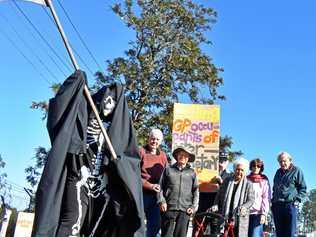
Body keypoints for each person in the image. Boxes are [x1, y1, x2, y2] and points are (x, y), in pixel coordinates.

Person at [32, 71, 145, 237]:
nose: (109, 104)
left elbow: (129, 159)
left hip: (102, 183)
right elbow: (64, 110)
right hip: (80, 175)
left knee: (97, 226)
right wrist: (78, 80)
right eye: (107, 99)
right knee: (73, 220)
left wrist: (119, 163)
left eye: (113, 101)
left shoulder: (119, 130)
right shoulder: (85, 114)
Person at [158, 146, 199, 237]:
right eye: (180, 154)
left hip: (185, 209)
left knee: (181, 235)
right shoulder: (168, 170)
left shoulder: (192, 173)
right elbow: (160, 187)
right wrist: (162, 201)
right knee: (166, 235)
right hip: (168, 207)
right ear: (176, 156)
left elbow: (196, 191)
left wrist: (193, 207)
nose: (182, 157)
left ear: (188, 158)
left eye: (185, 155)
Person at [212, 157, 255, 237]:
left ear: (245, 171)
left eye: (242, 170)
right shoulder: (227, 181)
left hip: (239, 218)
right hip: (225, 216)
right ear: (235, 169)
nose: (239, 172)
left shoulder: (248, 184)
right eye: (238, 169)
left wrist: (244, 207)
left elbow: (251, 200)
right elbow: (219, 195)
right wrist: (216, 204)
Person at [140, 128, 168, 237]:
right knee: (138, 223)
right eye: (152, 138)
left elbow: (167, 174)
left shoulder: (163, 156)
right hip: (142, 194)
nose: (154, 141)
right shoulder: (141, 152)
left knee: (155, 225)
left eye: (157, 140)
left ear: (160, 142)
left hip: (157, 196)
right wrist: (150, 185)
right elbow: (134, 175)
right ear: (148, 139)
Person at [271, 151, 307, 237]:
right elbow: (274, 188)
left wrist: (297, 200)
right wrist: (273, 202)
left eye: (284, 161)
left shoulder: (297, 171)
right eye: (280, 161)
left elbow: (303, 188)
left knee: (290, 233)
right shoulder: (277, 172)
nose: (282, 163)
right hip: (277, 206)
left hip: (290, 205)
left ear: (290, 160)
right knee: (279, 233)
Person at [247, 158, 271, 237]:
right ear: (251, 167)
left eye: (258, 166)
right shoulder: (246, 179)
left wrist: (264, 214)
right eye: (254, 165)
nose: (256, 167)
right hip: (245, 213)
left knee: (255, 235)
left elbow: (266, 198)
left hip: (258, 214)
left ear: (261, 168)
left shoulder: (264, 180)